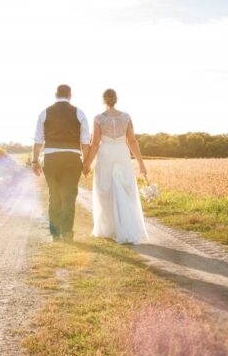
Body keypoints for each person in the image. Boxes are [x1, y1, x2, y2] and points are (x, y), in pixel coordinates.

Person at [83, 88, 149, 244]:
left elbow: (95, 144)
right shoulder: (126, 117)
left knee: (104, 190)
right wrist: (141, 163)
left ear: (103, 100)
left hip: (106, 153)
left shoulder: (98, 118)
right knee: (125, 190)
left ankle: (109, 229)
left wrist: (86, 164)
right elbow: (132, 141)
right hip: (121, 153)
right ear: (116, 99)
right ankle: (126, 228)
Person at [31, 84, 90, 241]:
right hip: (72, 158)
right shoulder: (79, 113)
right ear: (70, 95)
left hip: (51, 158)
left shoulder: (44, 113)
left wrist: (34, 161)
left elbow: (38, 140)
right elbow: (85, 142)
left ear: (55, 95)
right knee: (69, 196)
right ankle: (67, 233)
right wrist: (87, 163)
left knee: (54, 196)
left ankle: (55, 235)